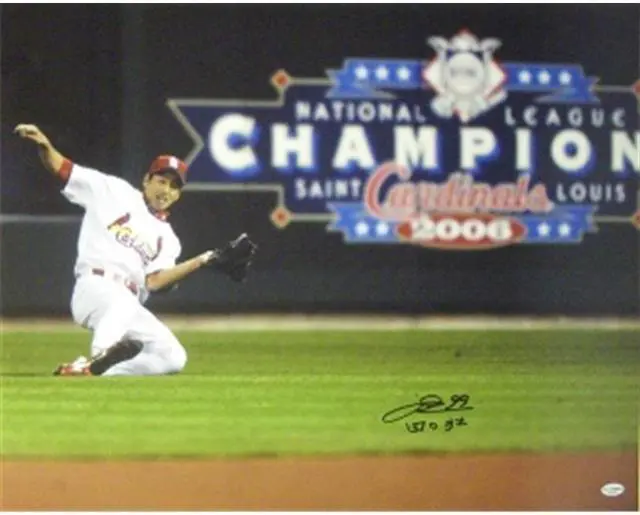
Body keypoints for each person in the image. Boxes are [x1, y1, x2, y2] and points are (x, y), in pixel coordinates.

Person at [14, 123, 246, 377]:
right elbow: (63, 169)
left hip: (127, 304)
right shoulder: (113, 190)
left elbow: (155, 282)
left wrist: (203, 260)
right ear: (146, 180)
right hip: (94, 288)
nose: (166, 190)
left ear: (178, 195)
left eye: (174, 186)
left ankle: (93, 369)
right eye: (161, 181)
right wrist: (45, 145)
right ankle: (100, 353)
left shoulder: (168, 239)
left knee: (172, 357)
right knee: (122, 300)